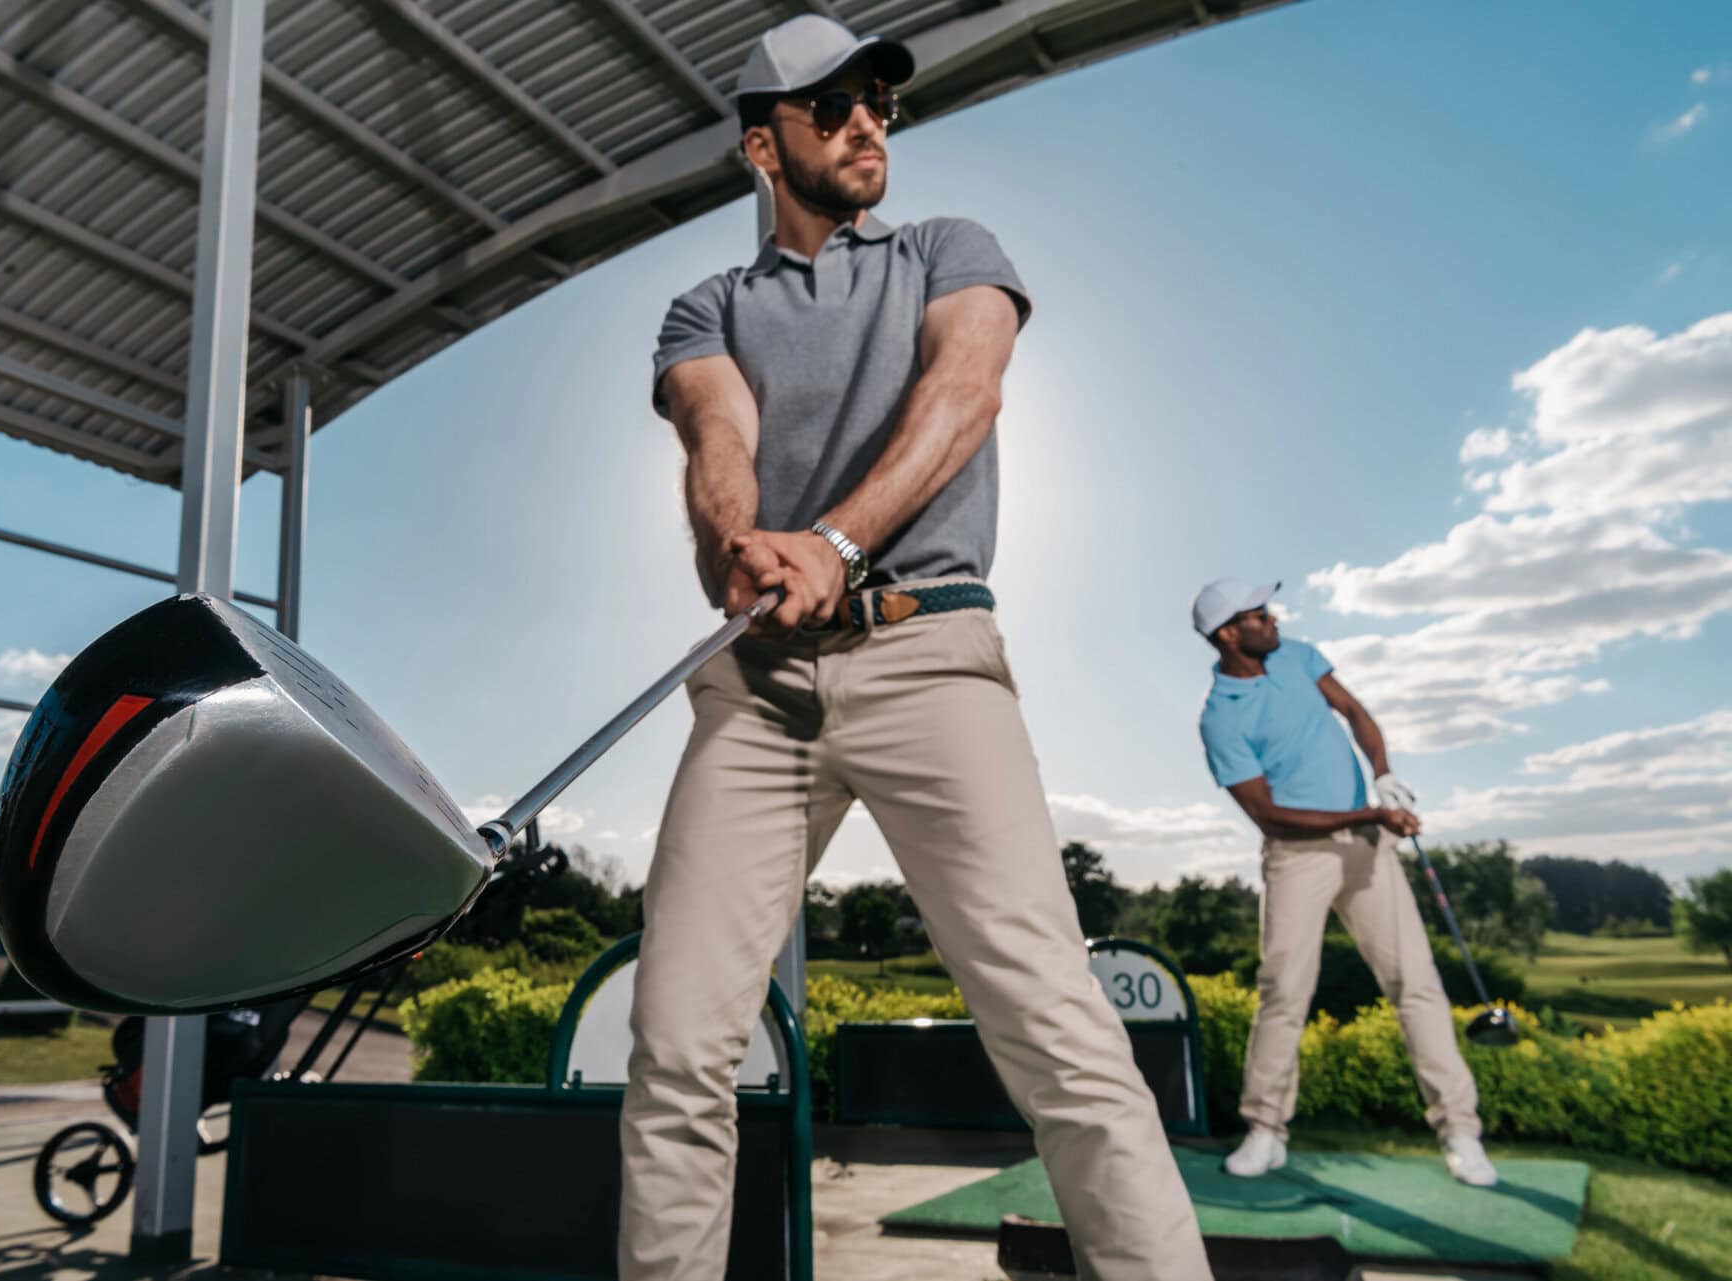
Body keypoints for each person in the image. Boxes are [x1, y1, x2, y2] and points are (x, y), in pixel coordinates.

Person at [619, 15, 1213, 1281]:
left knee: (1057, 1029)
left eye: (878, 100)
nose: (868, 121)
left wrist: (831, 539)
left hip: (927, 656)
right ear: (759, 147)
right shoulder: (706, 306)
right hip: (760, 689)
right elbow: (715, 440)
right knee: (674, 1050)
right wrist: (746, 546)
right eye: (830, 107)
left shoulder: (951, 250)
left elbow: (966, 391)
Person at [1192, 577, 1498, 1187]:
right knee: (1285, 992)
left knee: (1416, 984)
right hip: (1297, 858)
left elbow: (1355, 712)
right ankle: (1266, 1131)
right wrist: (1368, 812)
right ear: (1229, 634)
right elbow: (1269, 813)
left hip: (1367, 851)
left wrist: (1382, 776)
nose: (1273, 618)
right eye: (1259, 614)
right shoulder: (1220, 719)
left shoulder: (1296, 655)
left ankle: (1461, 1131)